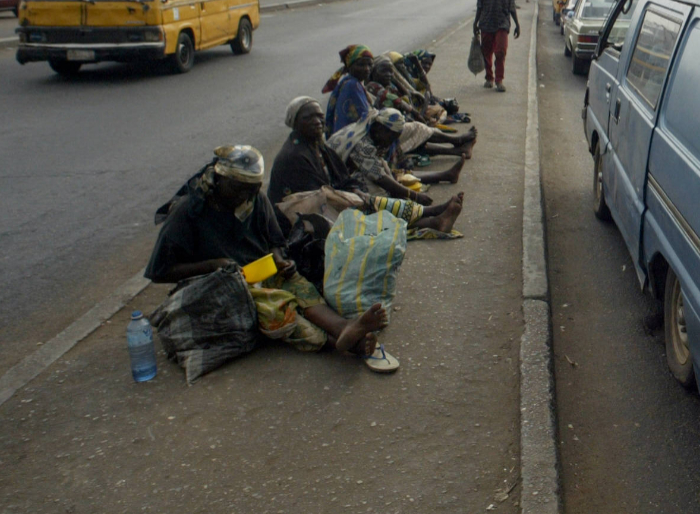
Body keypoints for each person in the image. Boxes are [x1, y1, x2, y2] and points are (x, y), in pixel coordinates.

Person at [146, 145, 399, 372]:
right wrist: (214, 264)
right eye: (239, 190)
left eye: (252, 191)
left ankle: (343, 327)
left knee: (298, 286)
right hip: (220, 283)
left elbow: (275, 240)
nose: (245, 198)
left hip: (259, 270)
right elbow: (160, 271)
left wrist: (279, 259)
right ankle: (344, 343)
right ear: (220, 180)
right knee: (279, 308)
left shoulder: (253, 199)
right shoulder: (188, 212)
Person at [270, 97, 465, 236]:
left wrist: (352, 190)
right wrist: (352, 195)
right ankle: (431, 216)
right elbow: (315, 196)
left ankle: (432, 215)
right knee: (369, 212)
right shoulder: (294, 156)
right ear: (294, 122)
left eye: (319, 117)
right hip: (302, 216)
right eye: (308, 118)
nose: (317, 122)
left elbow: (342, 176)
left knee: (372, 202)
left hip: (325, 200)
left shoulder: (315, 145)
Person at [328, 108, 465, 203]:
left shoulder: (369, 125)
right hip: (334, 183)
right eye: (391, 137)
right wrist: (414, 196)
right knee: (380, 197)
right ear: (380, 129)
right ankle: (424, 215)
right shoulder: (363, 146)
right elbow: (381, 179)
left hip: (347, 170)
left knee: (385, 169)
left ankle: (445, 176)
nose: (391, 142)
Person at [474, 0, 520, 92]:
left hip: (502, 23)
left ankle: (499, 80)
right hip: (486, 22)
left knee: (500, 52)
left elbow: (512, 6)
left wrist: (517, 24)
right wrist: (475, 23)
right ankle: (489, 78)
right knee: (486, 52)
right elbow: (479, 5)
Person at [324, 45, 374, 135]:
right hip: (349, 140)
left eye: (370, 65)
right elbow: (366, 116)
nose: (367, 69)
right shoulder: (353, 85)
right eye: (361, 65)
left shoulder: (348, 81)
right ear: (350, 67)